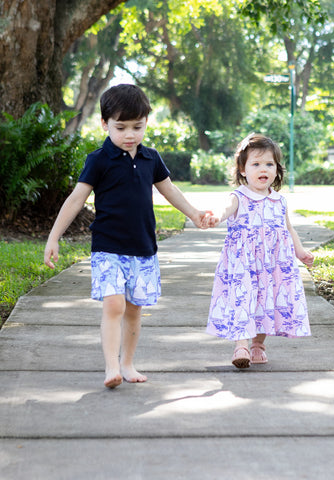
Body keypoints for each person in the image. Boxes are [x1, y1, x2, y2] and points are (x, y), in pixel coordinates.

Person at [44, 84, 209, 388]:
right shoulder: (99, 160)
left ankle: (128, 364)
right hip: (107, 247)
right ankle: (111, 368)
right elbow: (76, 199)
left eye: (137, 126)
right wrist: (54, 237)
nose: (130, 134)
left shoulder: (150, 158)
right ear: (105, 124)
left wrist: (194, 214)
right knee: (114, 305)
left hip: (143, 248)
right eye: (121, 127)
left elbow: (169, 190)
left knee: (134, 310)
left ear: (147, 122)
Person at [204, 133, 314, 368]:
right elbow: (225, 209)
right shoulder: (239, 197)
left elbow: (288, 229)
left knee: (267, 301)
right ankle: (241, 345)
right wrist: (216, 216)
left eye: (269, 164)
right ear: (243, 170)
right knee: (244, 298)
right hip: (243, 263)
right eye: (255, 164)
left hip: (272, 264)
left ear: (277, 169)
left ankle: (258, 345)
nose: (263, 169)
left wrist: (300, 251)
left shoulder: (279, 201)